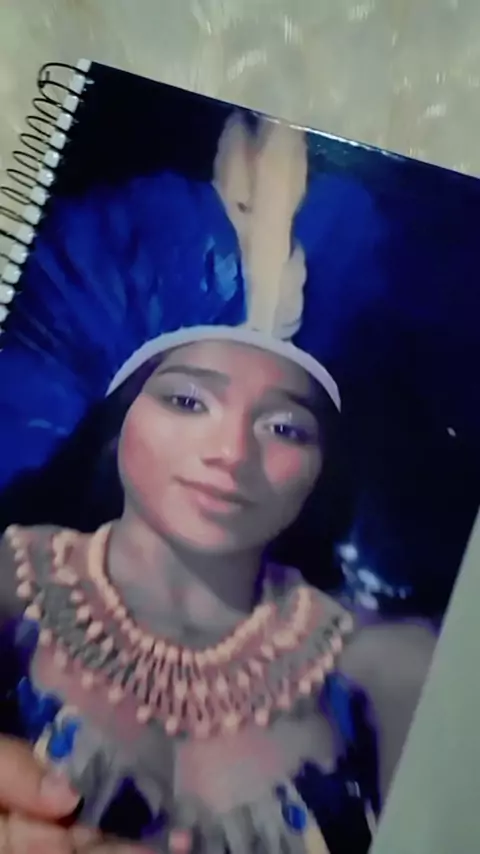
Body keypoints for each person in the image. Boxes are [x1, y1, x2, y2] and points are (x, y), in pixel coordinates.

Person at [0, 113, 434, 854]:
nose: (232, 453)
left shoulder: (391, 668)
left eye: (285, 427)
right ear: (117, 423)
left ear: (322, 466)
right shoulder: (11, 587)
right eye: (188, 401)